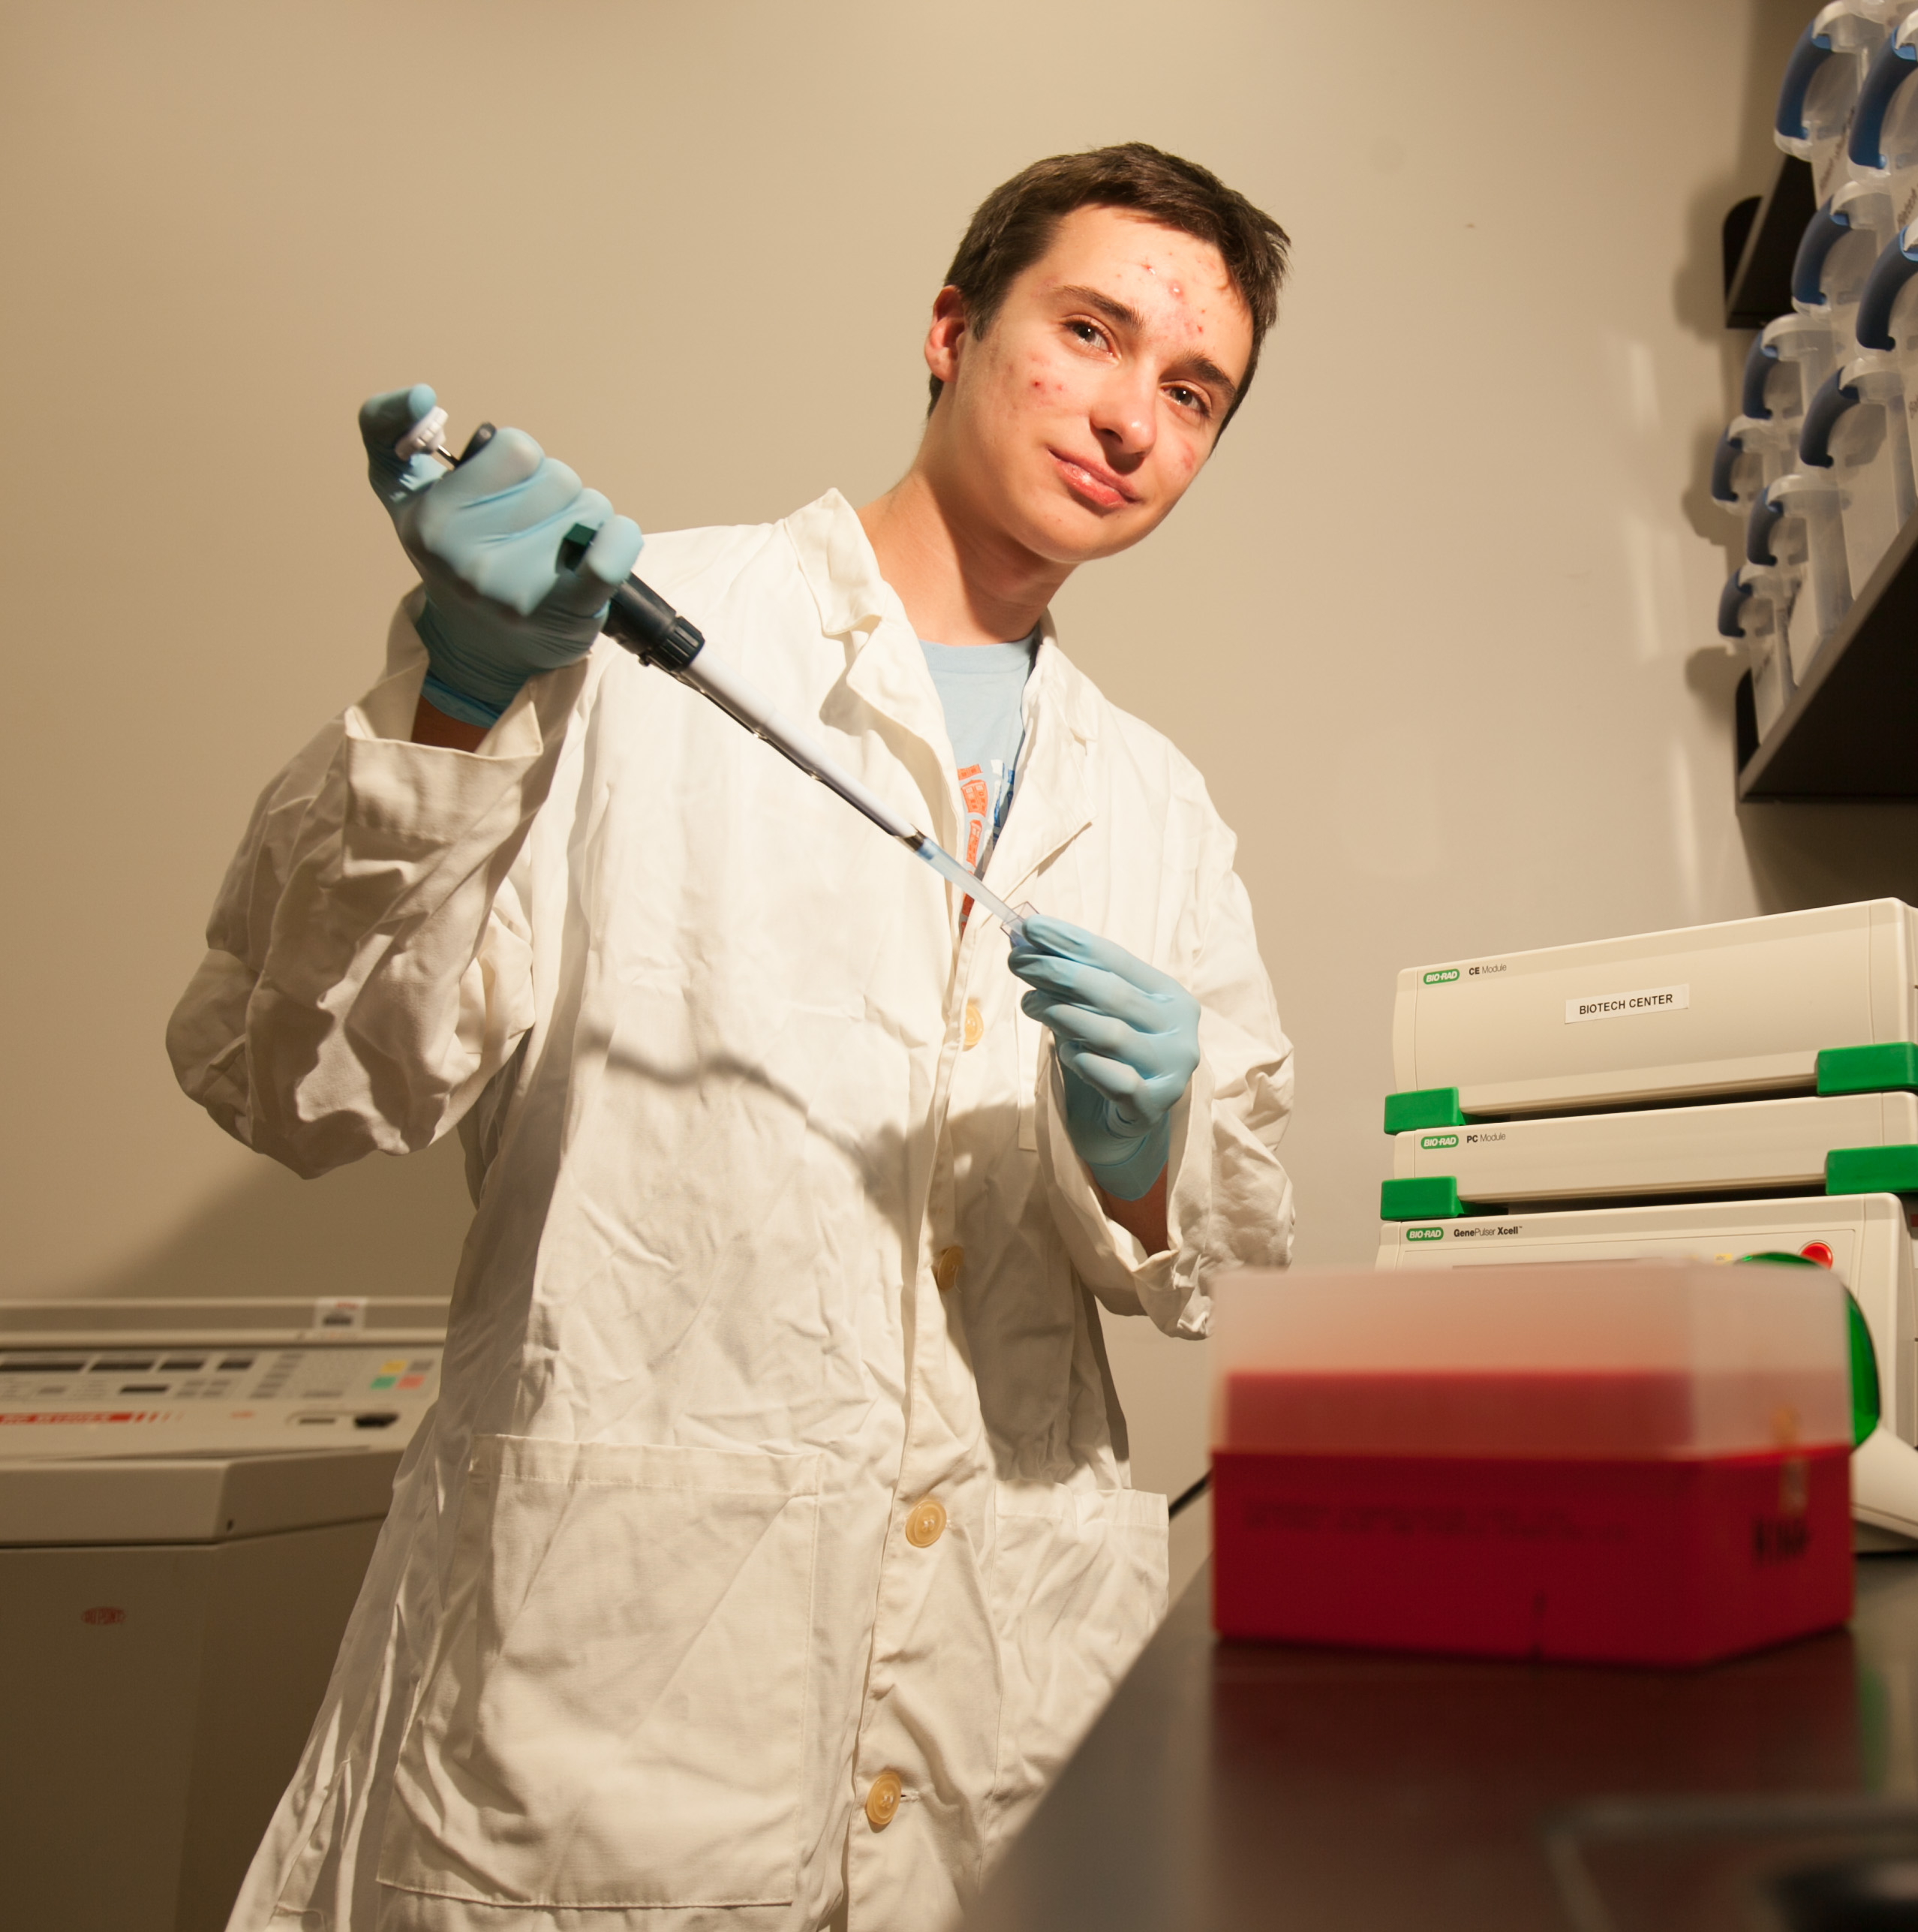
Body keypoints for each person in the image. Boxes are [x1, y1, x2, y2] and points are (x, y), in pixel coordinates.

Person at [167, 145, 1296, 1930]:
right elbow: (296, 1079)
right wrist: (463, 687)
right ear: (950, 328)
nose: (1131, 420)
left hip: (999, 1687)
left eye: (1192, 391)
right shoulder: (618, 642)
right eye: (1089, 332)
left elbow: (1215, 1262)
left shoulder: (1149, 799)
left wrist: (1148, 1159)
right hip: (607, 1694)